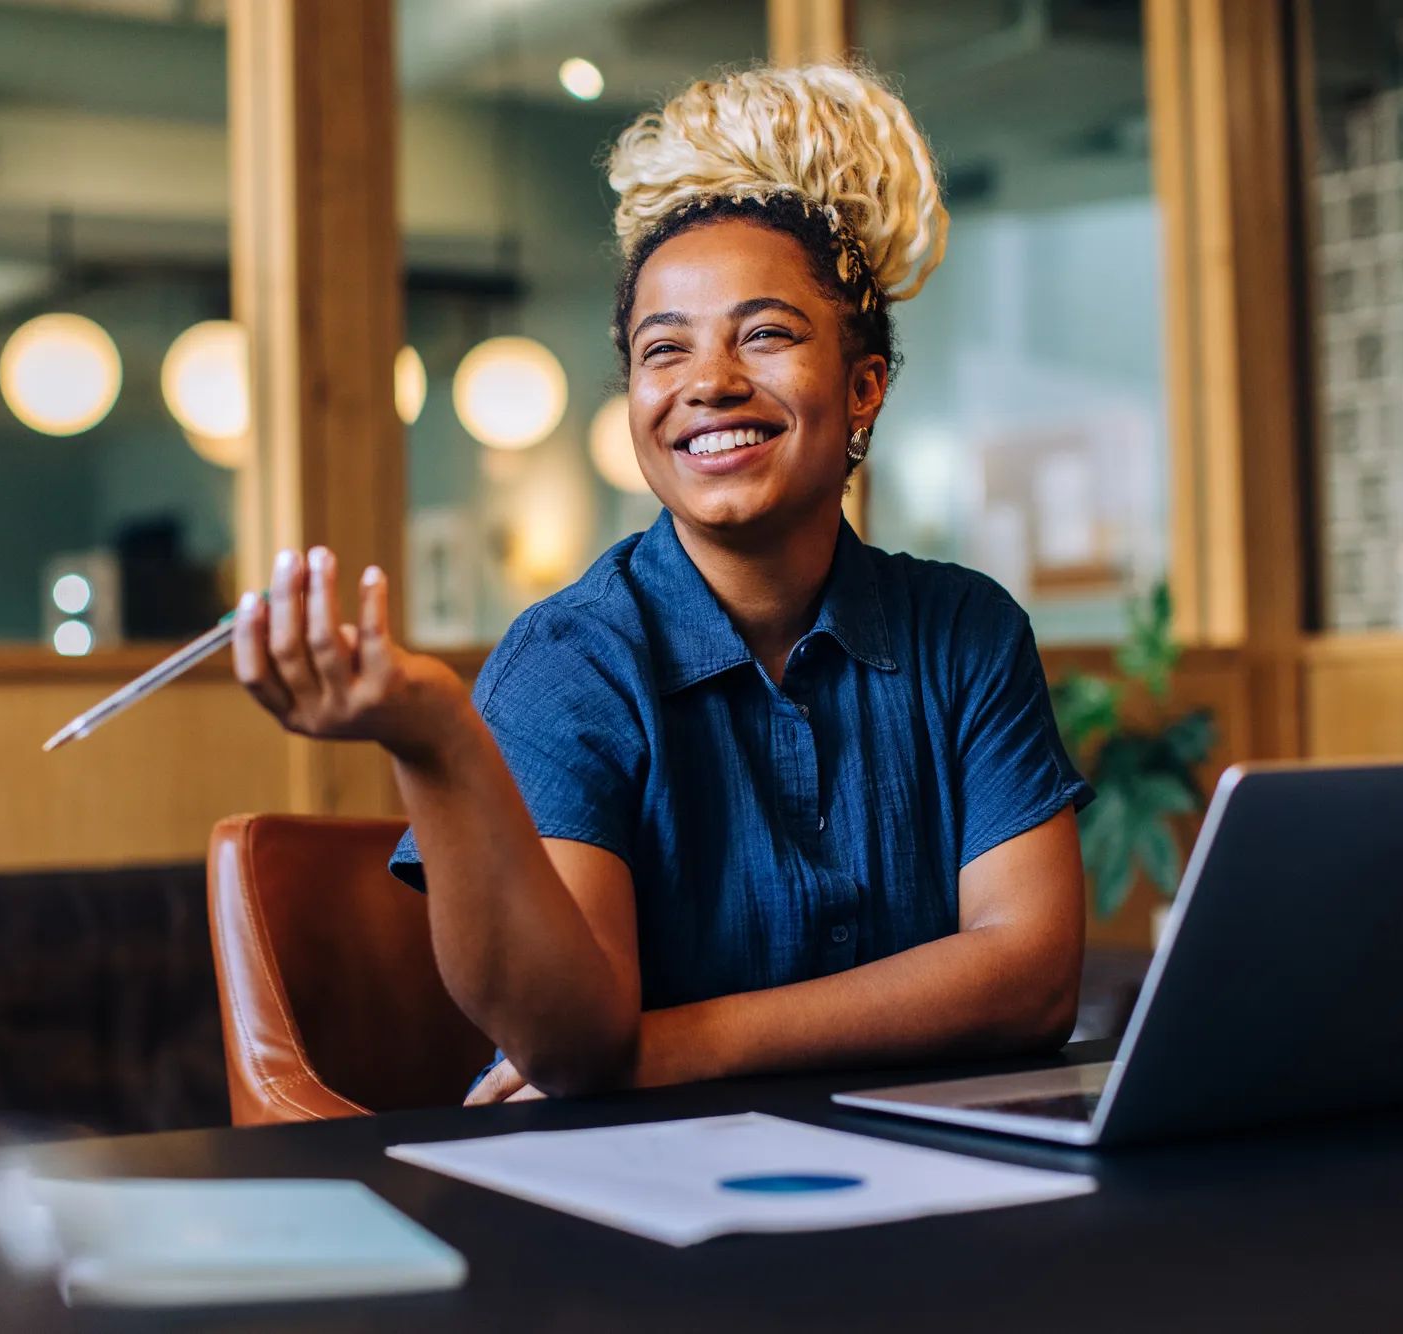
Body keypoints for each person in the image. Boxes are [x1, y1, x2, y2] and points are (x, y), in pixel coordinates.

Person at [232, 63, 1092, 1105]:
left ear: (863, 387)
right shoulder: (568, 659)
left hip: (944, 1180)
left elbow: (1032, 978)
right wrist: (435, 737)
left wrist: (670, 1044)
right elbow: (571, 1038)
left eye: (764, 333)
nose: (708, 382)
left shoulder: (965, 630)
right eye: (662, 348)